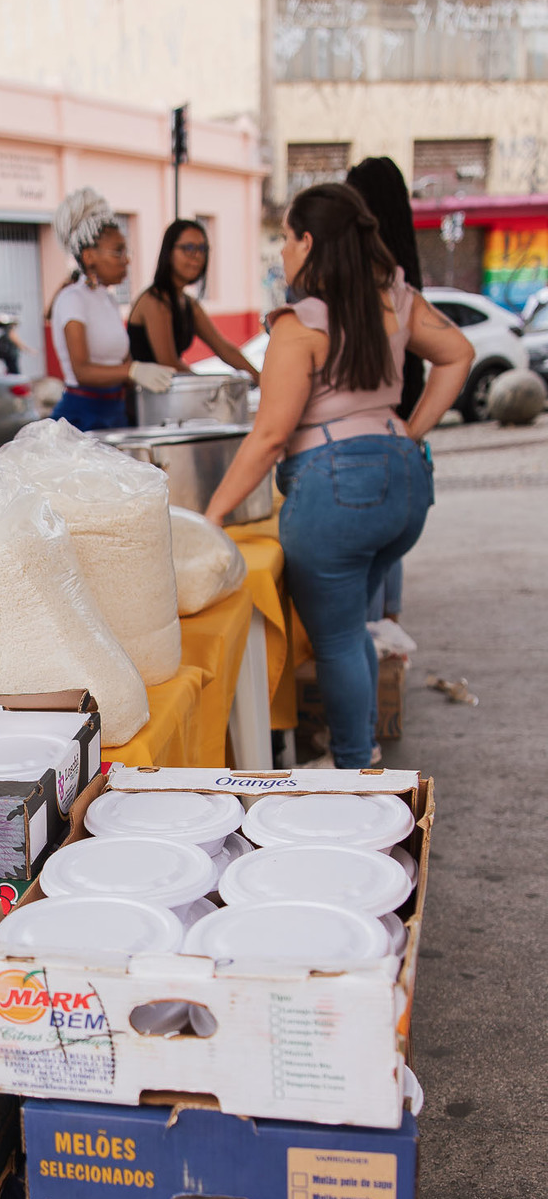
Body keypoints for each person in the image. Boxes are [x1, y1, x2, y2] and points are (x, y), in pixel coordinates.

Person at [203, 182, 473, 769]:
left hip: (337, 489)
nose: (280, 253)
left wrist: (213, 514)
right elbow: (458, 354)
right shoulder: (394, 302)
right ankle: (359, 750)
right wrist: (411, 429)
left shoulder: (300, 324)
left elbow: (270, 435)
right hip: (404, 485)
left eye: (283, 240)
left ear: (306, 242)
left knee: (337, 639)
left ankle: (356, 767)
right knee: (354, 628)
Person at [346, 156, 426, 623]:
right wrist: (414, 433)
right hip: (400, 441)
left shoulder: (370, 281)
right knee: (384, 561)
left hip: (366, 446)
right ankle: (388, 645)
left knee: (348, 633)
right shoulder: (404, 277)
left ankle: (381, 654)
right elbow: (456, 354)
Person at [127, 218, 261, 383]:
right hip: (145, 401)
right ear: (169, 253)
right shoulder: (155, 301)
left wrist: (261, 378)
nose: (197, 256)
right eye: (188, 248)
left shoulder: (189, 303)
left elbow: (225, 349)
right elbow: (168, 363)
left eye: (202, 249)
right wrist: (208, 387)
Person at [48, 189, 134, 432]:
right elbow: (82, 370)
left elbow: (122, 360)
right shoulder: (72, 299)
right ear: (89, 256)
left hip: (115, 415)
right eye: (118, 251)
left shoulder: (109, 301)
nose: (126, 260)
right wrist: (133, 371)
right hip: (82, 419)